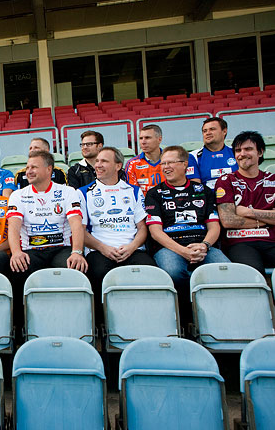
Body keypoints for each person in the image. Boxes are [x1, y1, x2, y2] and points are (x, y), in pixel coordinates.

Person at [0, 151, 86, 334]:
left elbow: (76, 224)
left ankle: (73, 326)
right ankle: (19, 327)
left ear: (49, 169)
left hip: (61, 248)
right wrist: (16, 252)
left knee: (74, 268)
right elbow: (14, 227)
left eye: (34, 167)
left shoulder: (67, 192)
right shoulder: (18, 195)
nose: (29, 171)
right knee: (17, 267)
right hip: (31, 251)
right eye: (27, 167)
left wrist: (77, 252)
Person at [78, 147, 155, 312]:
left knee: (150, 273)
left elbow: (142, 228)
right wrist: (104, 248)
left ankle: (147, 317)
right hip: (99, 251)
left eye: (104, 161)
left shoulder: (133, 191)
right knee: (99, 274)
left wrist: (132, 247)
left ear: (118, 166)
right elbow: (80, 232)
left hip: (132, 249)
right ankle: (104, 325)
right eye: (97, 161)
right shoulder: (83, 193)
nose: (98, 165)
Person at [144, 146, 228, 292]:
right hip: (170, 247)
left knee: (226, 271)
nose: (166, 167)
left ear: (184, 164)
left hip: (202, 245)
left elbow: (214, 226)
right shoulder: (154, 193)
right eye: (163, 163)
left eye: (171, 162)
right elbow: (155, 232)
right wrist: (183, 251)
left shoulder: (204, 191)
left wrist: (204, 245)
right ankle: (186, 311)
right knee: (173, 272)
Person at [215, 131, 275, 276]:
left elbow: (237, 216)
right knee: (252, 273)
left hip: (271, 240)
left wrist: (247, 212)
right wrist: (267, 220)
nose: (242, 154)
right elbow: (228, 221)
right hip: (239, 242)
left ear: (260, 152)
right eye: (238, 150)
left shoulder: (273, 180)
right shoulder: (226, 180)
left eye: (248, 149)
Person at [187, 117, 237, 188]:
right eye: (205, 131)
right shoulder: (193, 156)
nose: (208, 133)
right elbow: (196, 188)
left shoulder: (236, 152)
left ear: (224, 131)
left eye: (212, 129)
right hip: (208, 197)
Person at [126, 124, 164, 194]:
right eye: (141, 138)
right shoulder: (132, 163)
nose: (143, 142)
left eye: (147, 138)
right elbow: (133, 192)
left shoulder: (171, 160)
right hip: (144, 203)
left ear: (159, 139)